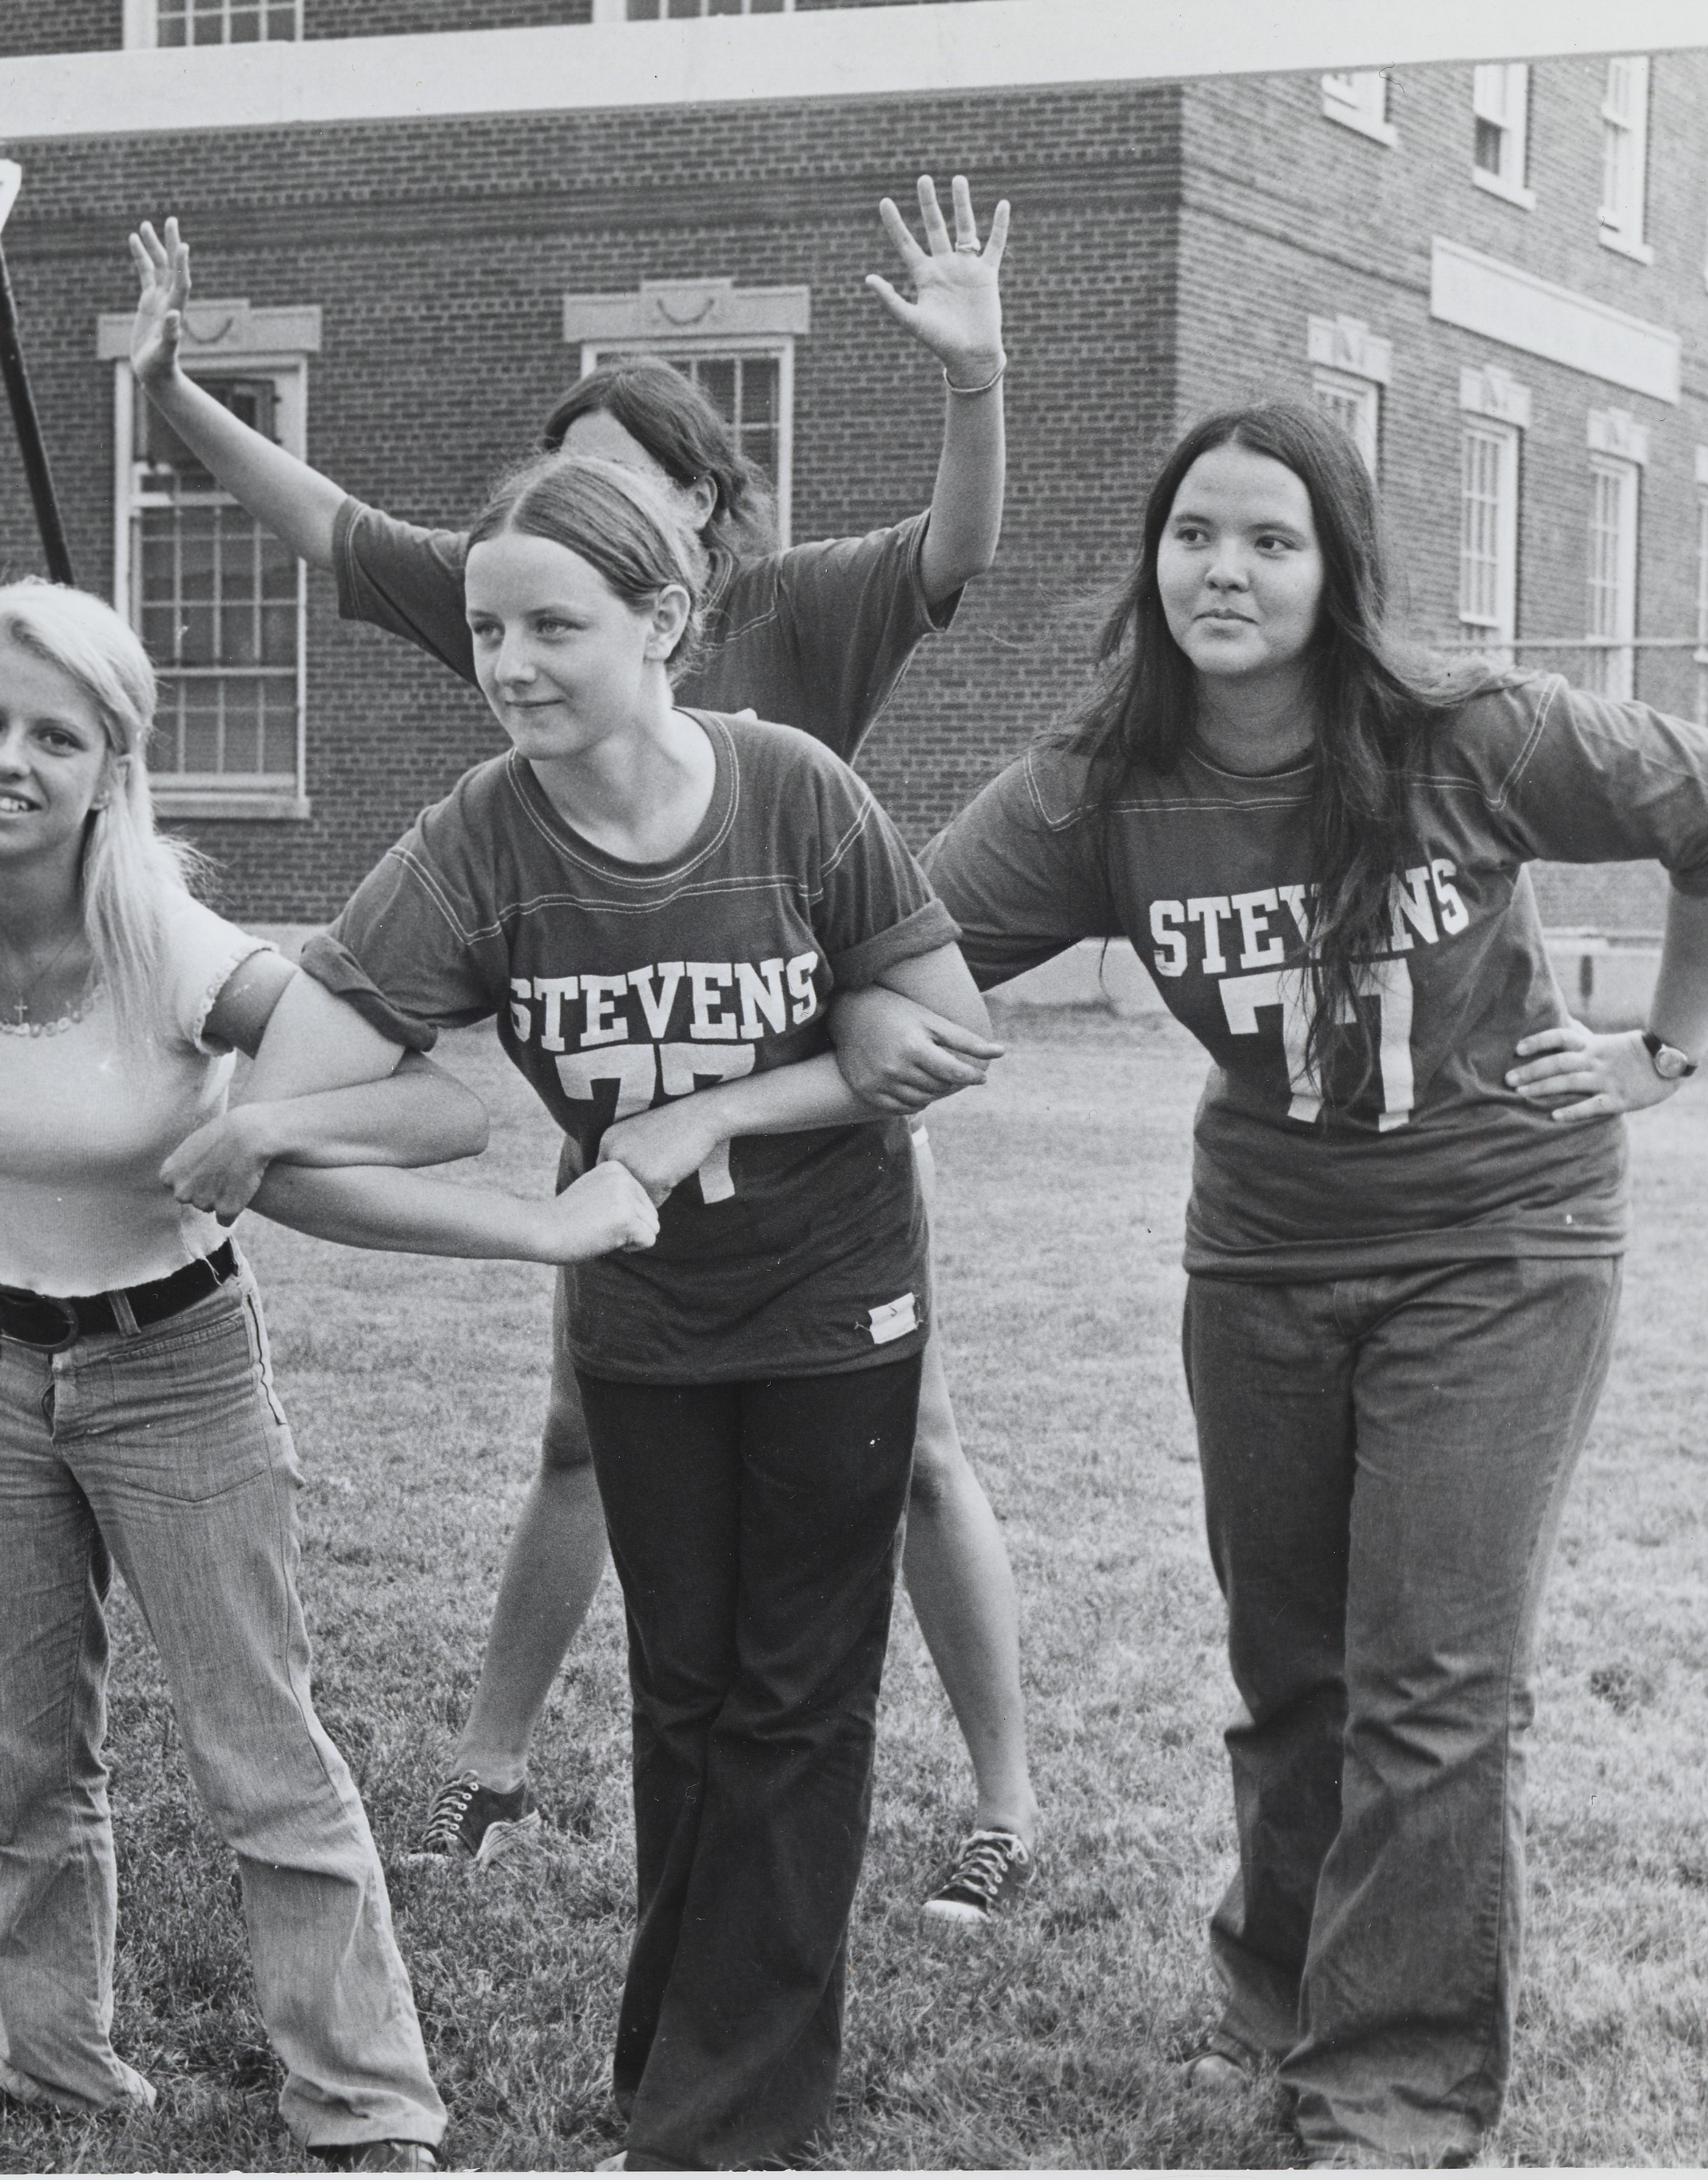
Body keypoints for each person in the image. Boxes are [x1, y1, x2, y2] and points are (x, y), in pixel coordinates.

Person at [129, 177, 1040, 1921]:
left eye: (622, 486)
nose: (535, 609)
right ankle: (490, 1767)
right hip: (620, 1107)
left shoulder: (795, 614)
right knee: (584, 1436)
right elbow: (328, 524)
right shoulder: (524, 618)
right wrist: (173, 398)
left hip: (815, 1100)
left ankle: (1000, 1801)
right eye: (510, 592)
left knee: (908, 1450)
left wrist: (974, 381)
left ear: (693, 531)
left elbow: (959, 551)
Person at [885, 403, 1708, 2166]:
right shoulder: (1098, 779)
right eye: (1194, 534)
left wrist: (1663, 1051)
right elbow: (901, 950)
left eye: (1269, 538)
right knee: (1286, 1664)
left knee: (1431, 1680)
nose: (1223, 568)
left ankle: (1390, 2088)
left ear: (1336, 567)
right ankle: (1278, 1992)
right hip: (1265, 1257)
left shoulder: (1468, 735)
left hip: (1495, 1248)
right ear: (1152, 561)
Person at [0, 578, 653, 2163]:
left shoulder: (176, 950)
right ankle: (51, 2057)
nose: (7, 759)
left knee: (258, 1756)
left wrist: (261, 1120)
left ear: (111, 773)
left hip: (172, 1366)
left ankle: (366, 2110)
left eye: (53, 737)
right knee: (17, 1757)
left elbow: (438, 1109)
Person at [292, 453, 999, 2170]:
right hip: (643, 1319)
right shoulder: (474, 841)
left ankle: (719, 2128)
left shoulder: (790, 790)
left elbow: (947, 1029)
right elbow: (293, 1098)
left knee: (797, 1698)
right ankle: (678, 2086)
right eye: (484, 631)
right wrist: (490, 1213)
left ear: (665, 621)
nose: (512, 665)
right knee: (686, 1695)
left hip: (833, 1300)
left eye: (554, 625)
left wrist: (718, 1109)